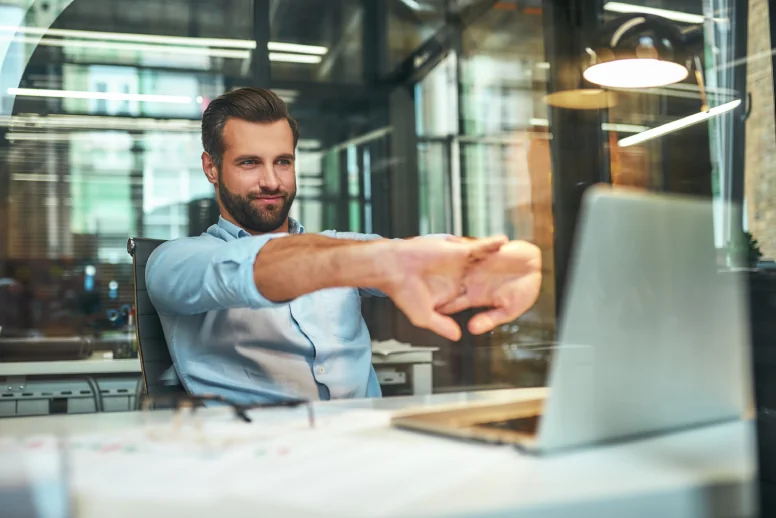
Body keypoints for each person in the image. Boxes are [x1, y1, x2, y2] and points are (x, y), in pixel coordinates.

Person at [146, 87, 542, 405]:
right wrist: (374, 261)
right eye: (250, 163)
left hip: (371, 451)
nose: (272, 181)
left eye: (283, 162)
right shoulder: (175, 262)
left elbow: (415, 254)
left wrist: (490, 259)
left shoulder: (344, 247)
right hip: (259, 466)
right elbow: (247, 268)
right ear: (211, 168)